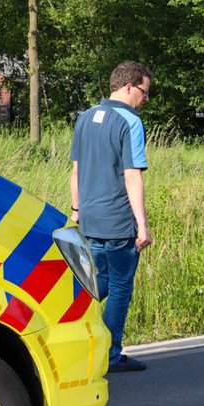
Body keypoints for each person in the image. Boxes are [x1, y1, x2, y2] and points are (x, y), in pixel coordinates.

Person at [70, 61, 155, 372]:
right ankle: (109, 355)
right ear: (129, 87)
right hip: (118, 221)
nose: (146, 99)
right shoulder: (130, 122)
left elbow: (76, 171)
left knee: (97, 281)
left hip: (89, 218)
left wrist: (77, 210)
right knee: (120, 286)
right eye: (145, 92)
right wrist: (142, 226)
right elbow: (132, 176)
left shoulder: (85, 118)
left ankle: (69, 331)